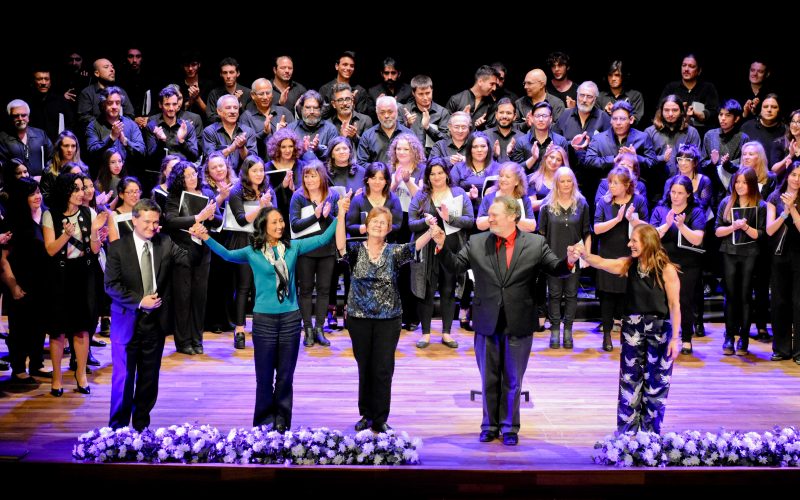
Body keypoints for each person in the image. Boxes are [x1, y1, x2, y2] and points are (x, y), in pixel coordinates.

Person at [433, 195, 579, 445]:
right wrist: (441, 246)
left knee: (513, 379)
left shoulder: (535, 243)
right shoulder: (477, 241)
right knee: (488, 379)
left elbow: (557, 268)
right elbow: (455, 266)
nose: (489, 219)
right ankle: (489, 425)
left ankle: (510, 427)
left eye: (494, 215)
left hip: (519, 320)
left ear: (512, 216)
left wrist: (570, 261)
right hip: (486, 320)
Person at [194, 205, 339, 430]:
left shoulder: (293, 247)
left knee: (285, 376)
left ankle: (282, 421)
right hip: (264, 321)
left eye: (281, 221)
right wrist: (206, 237)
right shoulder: (252, 252)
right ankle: (263, 423)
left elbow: (322, 239)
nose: (280, 226)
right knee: (263, 377)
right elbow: (227, 255)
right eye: (274, 222)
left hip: (290, 319)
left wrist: (341, 215)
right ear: (263, 226)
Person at [336, 198, 436, 433]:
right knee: (365, 367)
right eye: (375, 221)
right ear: (367, 223)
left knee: (383, 368)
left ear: (389, 229)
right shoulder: (355, 249)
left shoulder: (394, 252)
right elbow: (340, 244)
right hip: (359, 318)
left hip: (388, 319)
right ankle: (366, 414)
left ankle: (380, 418)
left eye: (383, 223)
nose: (378, 225)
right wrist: (341, 214)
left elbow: (415, 246)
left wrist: (432, 231)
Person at [578, 224, 681, 434]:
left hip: (659, 330)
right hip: (632, 329)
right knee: (629, 380)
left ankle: (650, 435)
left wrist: (674, 339)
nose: (629, 244)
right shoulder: (630, 265)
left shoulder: (666, 269)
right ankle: (626, 433)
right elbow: (603, 262)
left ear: (647, 243)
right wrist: (584, 255)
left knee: (656, 382)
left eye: (634, 240)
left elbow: (674, 306)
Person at [105, 199, 194, 430]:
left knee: (149, 379)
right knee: (124, 378)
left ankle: (141, 427)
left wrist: (197, 238)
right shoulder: (118, 247)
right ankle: (117, 429)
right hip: (127, 321)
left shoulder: (164, 242)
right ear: (134, 220)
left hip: (155, 323)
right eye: (147, 221)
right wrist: (139, 301)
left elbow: (187, 259)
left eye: (155, 222)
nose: (152, 227)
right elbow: (111, 286)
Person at [537, 166, 592, 349]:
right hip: (553, 259)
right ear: (556, 183)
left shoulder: (582, 204)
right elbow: (541, 235)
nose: (566, 184)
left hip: (574, 258)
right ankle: (554, 330)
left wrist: (587, 256)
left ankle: (568, 330)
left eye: (569, 181)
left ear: (574, 183)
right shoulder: (547, 206)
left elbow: (587, 232)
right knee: (553, 295)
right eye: (562, 181)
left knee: (571, 295)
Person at [715, 167, 766, 356]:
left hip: (750, 253)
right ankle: (729, 336)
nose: (740, 185)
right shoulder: (726, 202)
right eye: (737, 182)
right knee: (730, 295)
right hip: (729, 251)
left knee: (745, 296)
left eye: (744, 182)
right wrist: (733, 227)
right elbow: (717, 231)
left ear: (751, 184)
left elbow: (761, 234)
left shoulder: (760, 205)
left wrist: (745, 228)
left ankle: (744, 338)